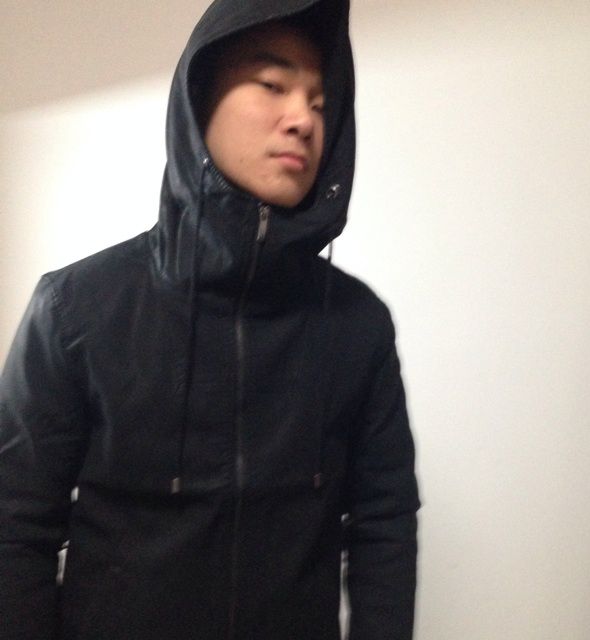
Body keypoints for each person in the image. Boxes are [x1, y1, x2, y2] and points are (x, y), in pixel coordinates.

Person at [0, 1, 420, 639]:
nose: (303, 119)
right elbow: (14, 527)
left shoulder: (358, 325)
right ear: (198, 102)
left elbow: (384, 523)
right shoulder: (76, 308)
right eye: (272, 85)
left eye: (321, 102)